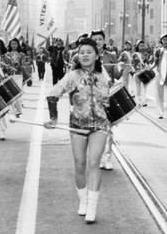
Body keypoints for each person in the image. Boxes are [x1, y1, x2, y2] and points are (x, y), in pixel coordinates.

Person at [44, 38, 110, 223]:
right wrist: (53, 118)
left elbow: (112, 103)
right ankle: (83, 201)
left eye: (89, 52)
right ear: (77, 56)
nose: (85, 55)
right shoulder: (72, 76)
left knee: (94, 163)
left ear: (97, 55)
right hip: (78, 126)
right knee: (80, 164)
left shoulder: (104, 77)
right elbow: (53, 93)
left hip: (100, 126)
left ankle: (92, 207)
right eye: (82, 52)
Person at [90, 30, 119, 171]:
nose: (97, 41)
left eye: (100, 39)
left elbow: (116, 74)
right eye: (94, 39)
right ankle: (97, 157)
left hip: (107, 96)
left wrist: (123, 69)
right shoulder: (86, 56)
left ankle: (107, 158)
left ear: (104, 40)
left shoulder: (111, 56)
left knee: (107, 129)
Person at [5, 38, 26, 117]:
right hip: (9, 76)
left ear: (18, 45)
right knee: (10, 94)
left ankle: (17, 112)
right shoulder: (7, 54)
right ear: (10, 45)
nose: (14, 45)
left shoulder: (22, 54)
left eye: (15, 44)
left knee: (17, 95)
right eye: (12, 44)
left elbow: (24, 66)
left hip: (18, 75)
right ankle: (10, 111)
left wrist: (19, 65)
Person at [131, 40, 151, 107]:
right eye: (140, 45)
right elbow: (132, 64)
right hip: (137, 72)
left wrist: (148, 63)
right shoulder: (134, 55)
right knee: (137, 87)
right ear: (137, 46)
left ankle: (143, 101)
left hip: (144, 72)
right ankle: (138, 101)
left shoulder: (145, 54)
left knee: (144, 87)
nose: (142, 47)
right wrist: (134, 70)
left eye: (143, 45)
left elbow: (148, 63)